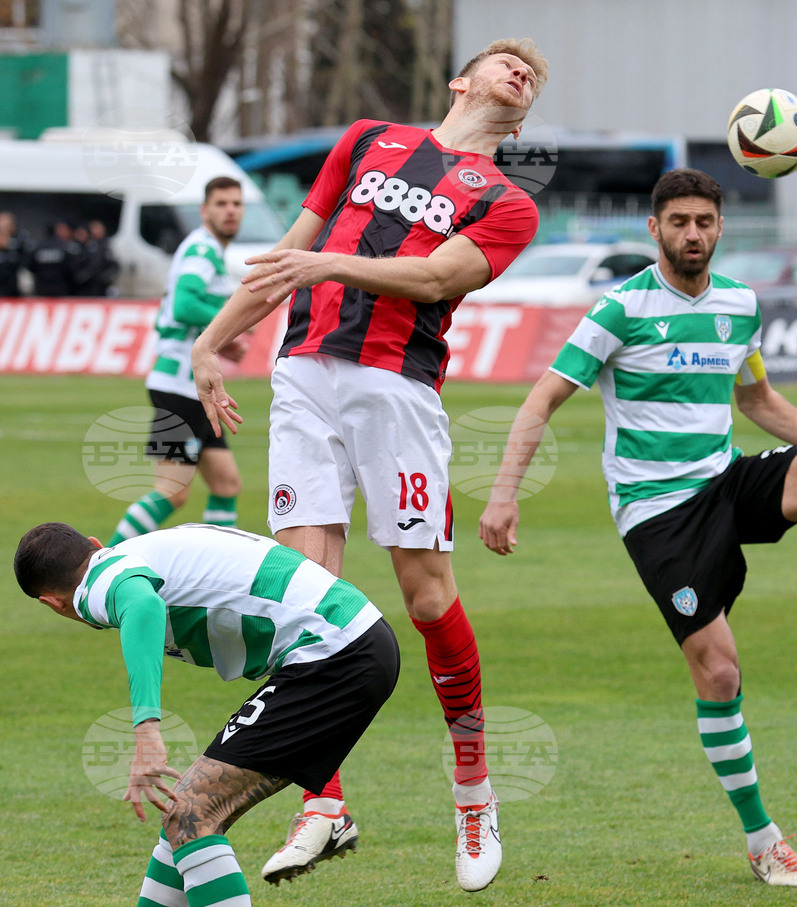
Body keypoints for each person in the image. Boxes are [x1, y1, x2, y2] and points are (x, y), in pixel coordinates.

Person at [477, 168, 797, 888]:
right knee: (721, 670)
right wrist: (502, 495)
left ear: (720, 226)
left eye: (704, 220)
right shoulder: (620, 308)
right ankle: (763, 838)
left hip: (725, 478)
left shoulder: (740, 303)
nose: (692, 234)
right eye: (678, 222)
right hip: (657, 511)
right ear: (654, 229)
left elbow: (756, 396)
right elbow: (541, 400)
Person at [190, 38, 549, 892]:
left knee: (426, 596)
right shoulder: (365, 139)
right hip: (302, 374)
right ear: (462, 80)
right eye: (506, 61)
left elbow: (431, 278)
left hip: (396, 390)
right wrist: (210, 342)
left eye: (532, 77)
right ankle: (325, 801)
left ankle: (473, 791)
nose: (521, 72)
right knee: (302, 599)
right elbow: (289, 257)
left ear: (525, 112)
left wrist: (326, 264)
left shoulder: (506, 201)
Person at [13, 521, 398, 907]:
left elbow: (143, 604)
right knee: (183, 815)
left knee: (193, 814)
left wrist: (147, 729)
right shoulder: (129, 555)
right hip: (352, 640)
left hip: (333, 653)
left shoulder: (96, 584)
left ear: (52, 602)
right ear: (95, 544)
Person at [108, 177, 249, 547]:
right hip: (179, 389)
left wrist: (220, 338)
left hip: (192, 388)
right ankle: (101, 563)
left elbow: (175, 311)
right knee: (173, 492)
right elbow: (185, 306)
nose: (230, 210)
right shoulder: (201, 251)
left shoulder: (207, 252)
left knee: (226, 483)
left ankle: (225, 572)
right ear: (204, 211)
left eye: (236, 203)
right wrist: (229, 323)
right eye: (221, 203)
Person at [77, 219, 120, 297]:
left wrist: (105, 276)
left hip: (102, 284)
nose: (97, 231)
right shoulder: (85, 246)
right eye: (95, 229)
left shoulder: (107, 246)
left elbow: (114, 265)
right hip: (88, 285)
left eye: (99, 229)